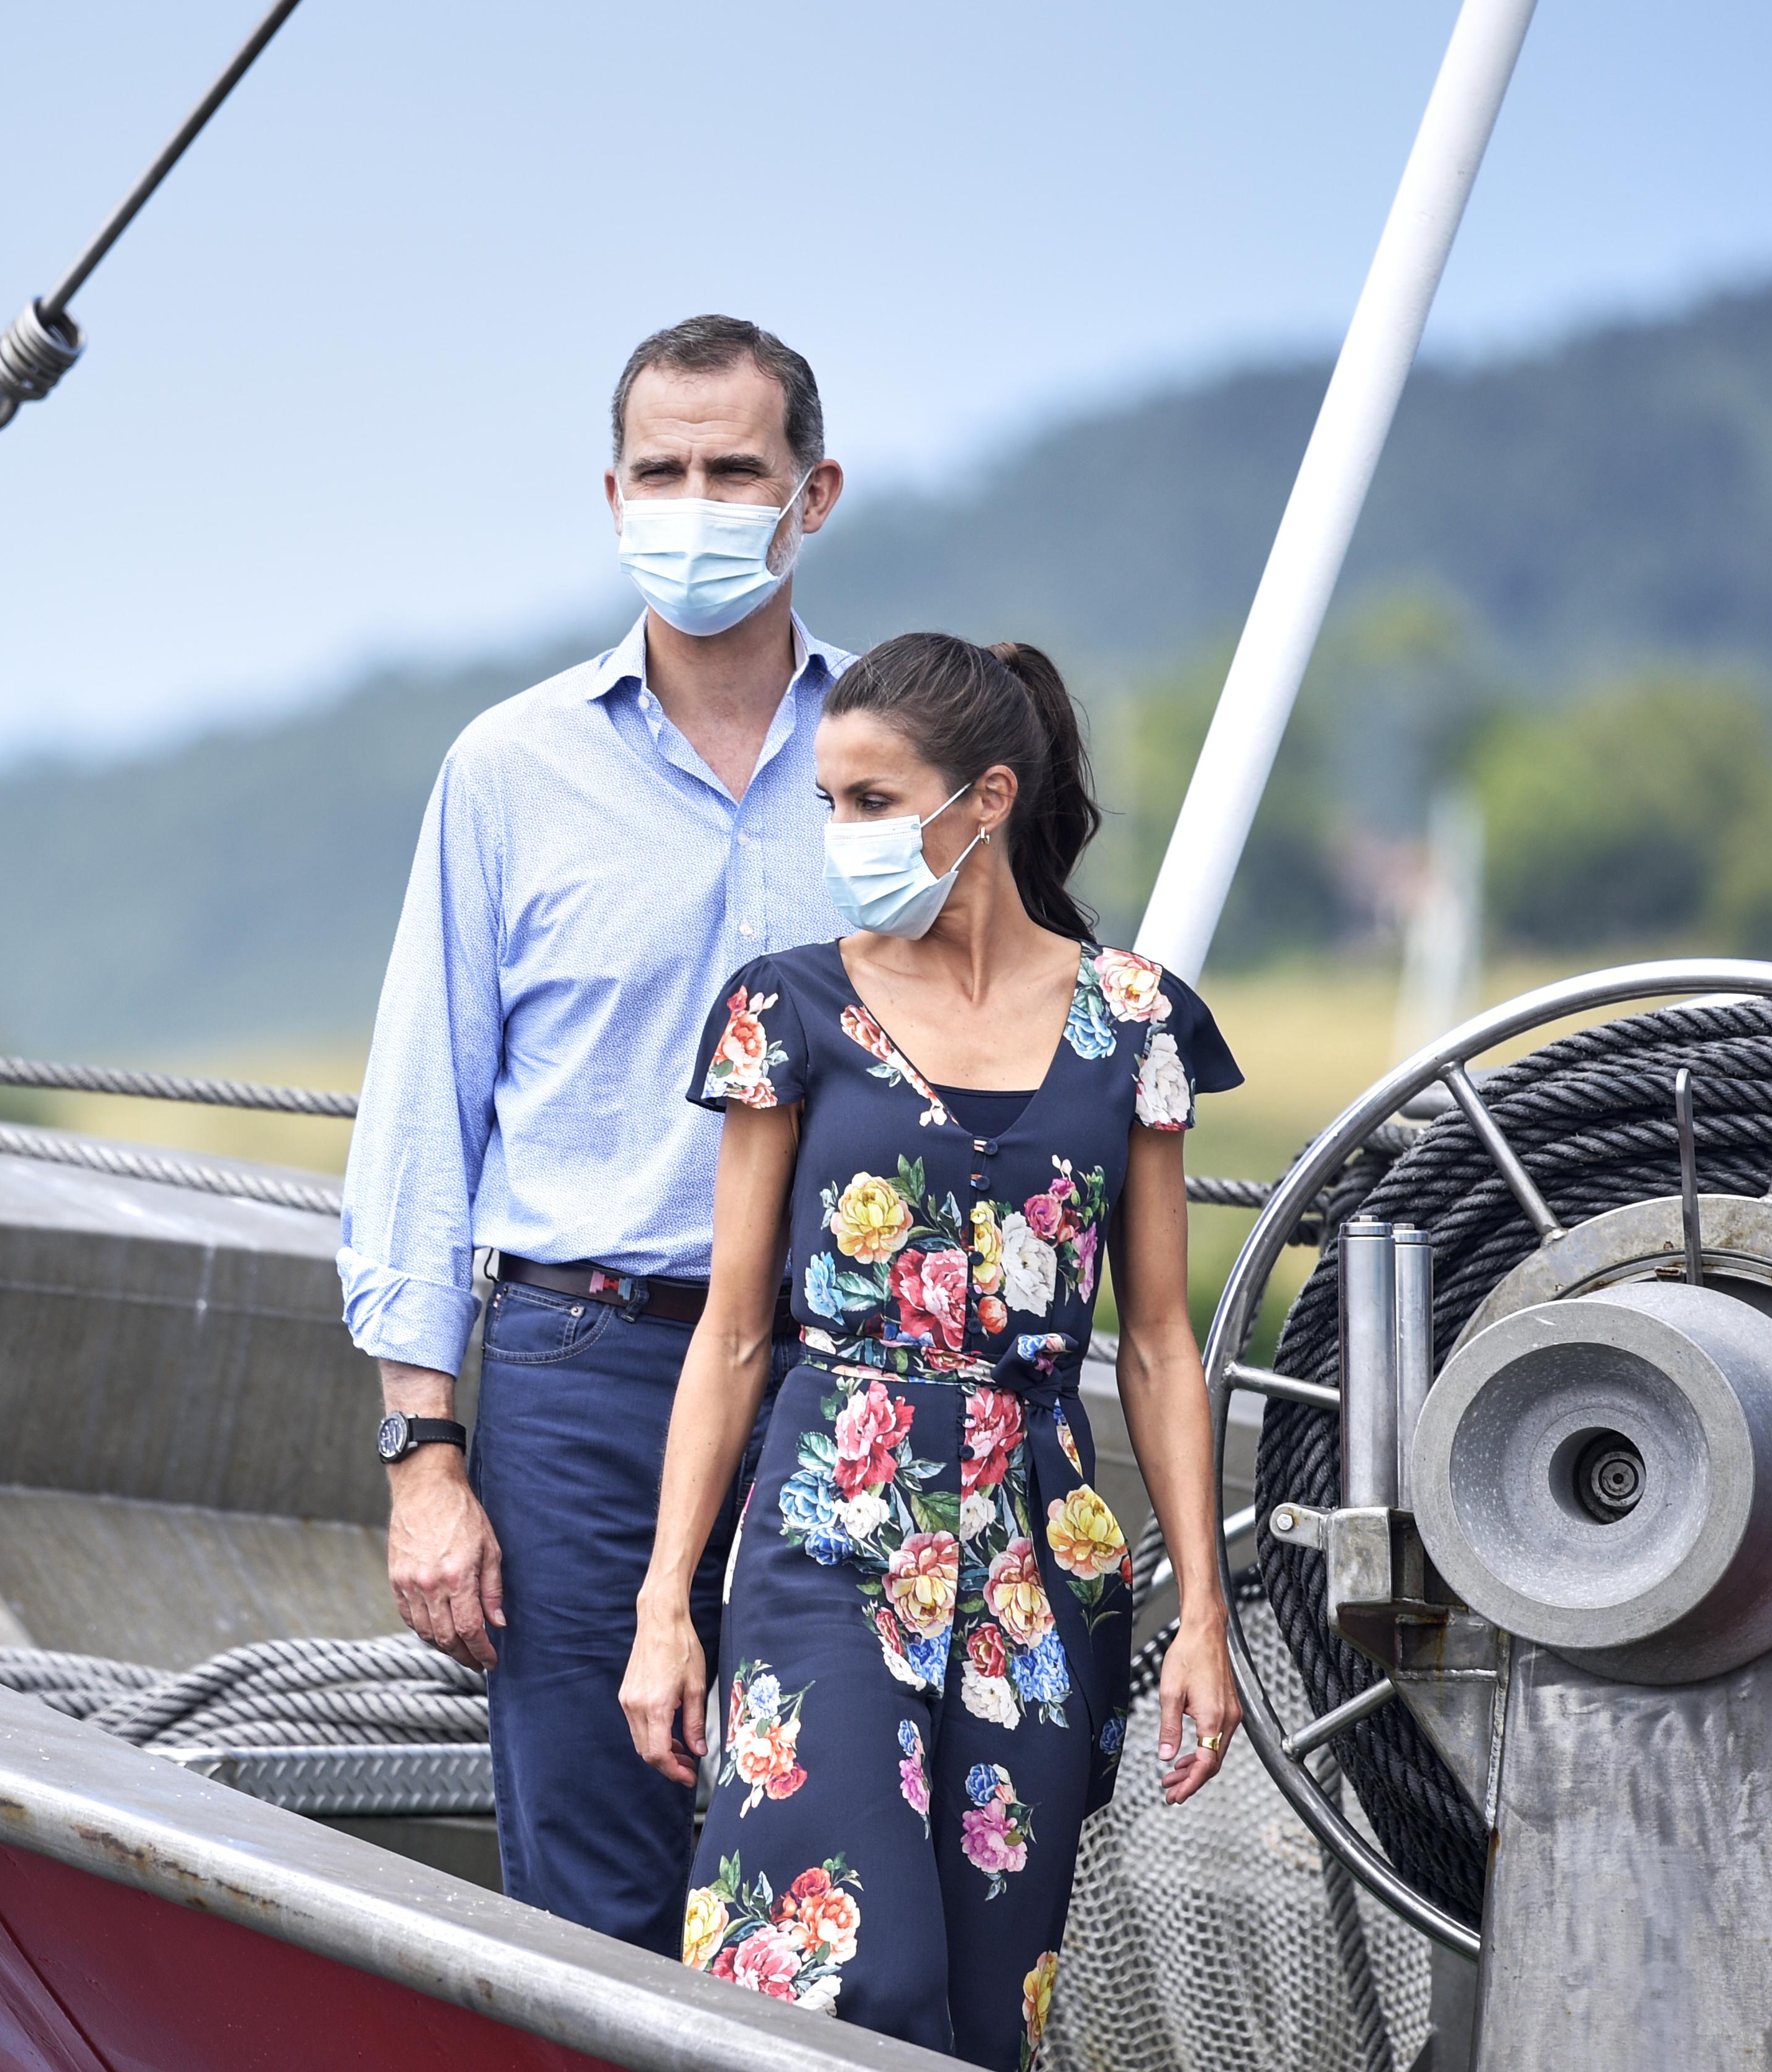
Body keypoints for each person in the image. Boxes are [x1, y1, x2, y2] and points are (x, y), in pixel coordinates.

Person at [620, 632, 1247, 2063]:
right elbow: (731, 1334)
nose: (833, 832)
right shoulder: (786, 1010)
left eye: (865, 799)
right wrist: (667, 1602)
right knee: (831, 1966)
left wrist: (1199, 1611)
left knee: (980, 2008)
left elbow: (1156, 1342)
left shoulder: (1133, 1021)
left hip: (1043, 1558)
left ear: (984, 800)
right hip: (827, 1526)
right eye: (826, 799)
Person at [338, 315, 852, 1953]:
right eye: (664, 472)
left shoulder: (899, 771)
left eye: (735, 472)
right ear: (613, 492)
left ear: (812, 494)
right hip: (585, 1365)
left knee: (828, 1868)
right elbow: (425, 1107)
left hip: (838, 1378)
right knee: (591, 1880)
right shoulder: (509, 769)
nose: (695, 503)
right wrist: (424, 1458)